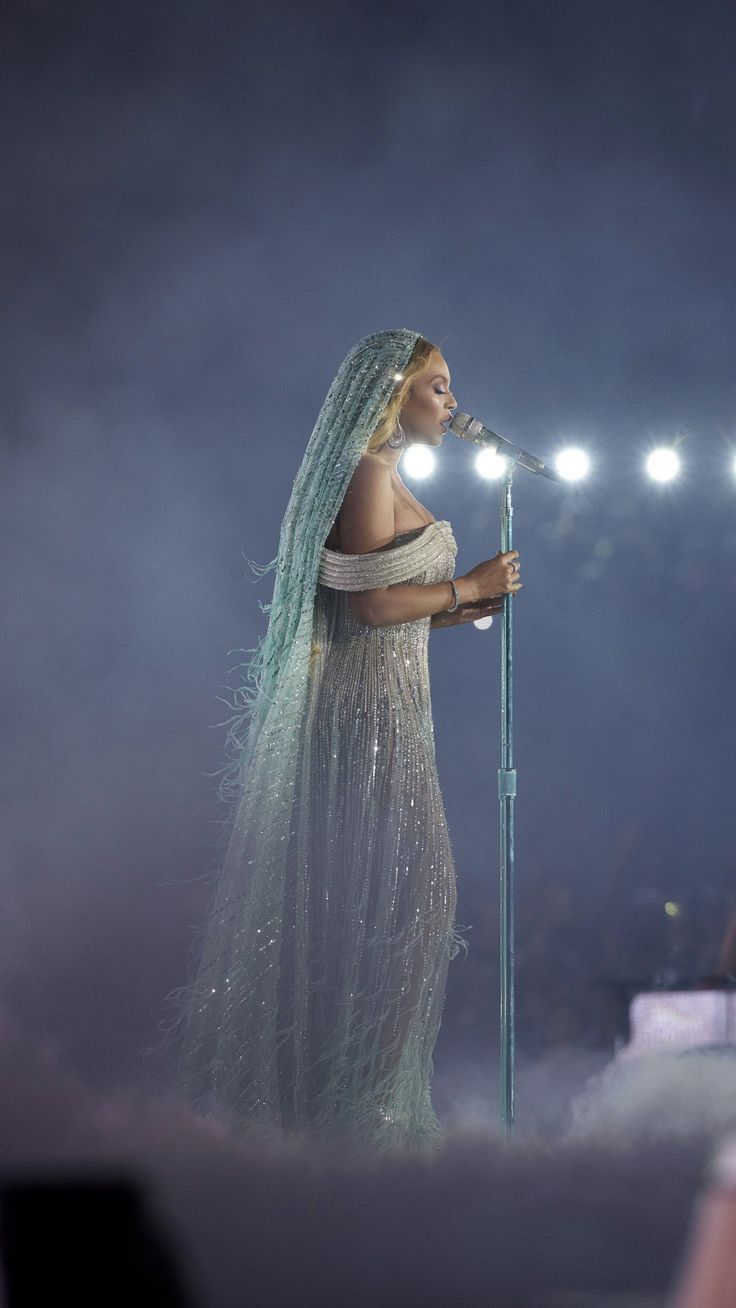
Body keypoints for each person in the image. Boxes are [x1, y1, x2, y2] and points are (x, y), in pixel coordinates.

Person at [164, 329, 522, 1154]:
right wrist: (467, 585)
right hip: (363, 720)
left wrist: (462, 609)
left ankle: (363, 1099)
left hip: (396, 709)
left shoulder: (389, 476)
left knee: (404, 900)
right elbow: (364, 609)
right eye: (437, 386)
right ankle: (359, 1111)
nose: (452, 402)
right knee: (412, 895)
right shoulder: (367, 474)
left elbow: (394, 602)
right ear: (391, 393)